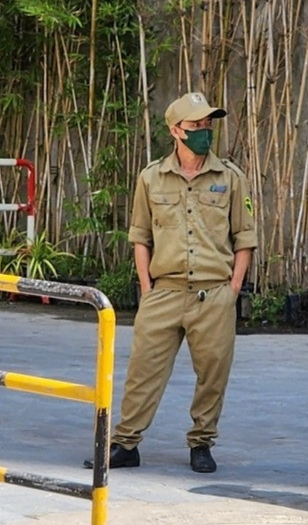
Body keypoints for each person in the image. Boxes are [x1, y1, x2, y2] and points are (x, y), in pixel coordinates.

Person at [103, 91, 257, 473]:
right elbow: (140, 236)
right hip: (164, 292)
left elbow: (245, 238)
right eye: (196, 125)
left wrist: (233, 289)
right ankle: (125, 443)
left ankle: (202, 443)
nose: (205, 131)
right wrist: (146, 287)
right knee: (143, 370)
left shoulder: (231, 178)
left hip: (214, 293)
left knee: (212, 374)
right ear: (175, 130)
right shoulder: (151, 177)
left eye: (208, 124)